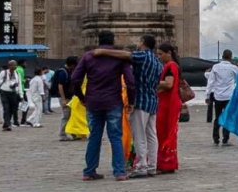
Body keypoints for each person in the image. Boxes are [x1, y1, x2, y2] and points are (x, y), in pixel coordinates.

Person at [70, 33, 134, 181]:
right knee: (115, 137)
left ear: (98, 41)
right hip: (113, 101)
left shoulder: (88, 56)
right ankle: (119, 171)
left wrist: (81, 97)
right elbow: (130, 81)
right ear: (113, 41)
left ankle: (89, 171)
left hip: (93, 101)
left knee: (94, 137)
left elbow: (75, 79)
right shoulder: (119, 57)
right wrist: (131, 100)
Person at [128, 35, 162, 178]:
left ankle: (141, 165)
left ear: (142, 42)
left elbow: (127, 56)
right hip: (152, 100)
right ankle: (152, 165)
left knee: (139, 134)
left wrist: (104, 52)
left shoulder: (142, 56)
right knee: (151, 135)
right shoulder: (157, 62)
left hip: (141, 100)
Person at [155, 42, 182, 172]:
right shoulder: (173, 66)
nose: (159, 57)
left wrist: (153, 81)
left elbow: (169, 84)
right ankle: (168, 161)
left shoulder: (170, 66)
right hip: (169, 102)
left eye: (161, 54)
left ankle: (165, 162)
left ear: (168, 53)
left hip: (167, 104)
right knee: (167, 132)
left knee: (163, 132)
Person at [207, 49, 238, 147]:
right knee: (227, 117)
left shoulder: (215, 67)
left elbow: (211, 82)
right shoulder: (234, 68)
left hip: (218, 96)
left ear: (222, 56)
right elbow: (237, 81)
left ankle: (216, 139)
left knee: (217, 117)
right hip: (229, 96)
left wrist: (207, 95)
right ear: (231, 57)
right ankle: (225, 139)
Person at [0, 59, 23, 132]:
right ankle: (8, 124)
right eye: (14, 65)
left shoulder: (17, 73)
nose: (15, 66)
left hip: (13, 93)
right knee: (6, 108)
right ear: (9, 66)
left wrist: (21, 95)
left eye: (16, 65)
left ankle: (6, 124)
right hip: (4, 92)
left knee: (12, 109)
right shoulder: (3, 73)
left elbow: (19, 84)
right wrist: (3, 80)